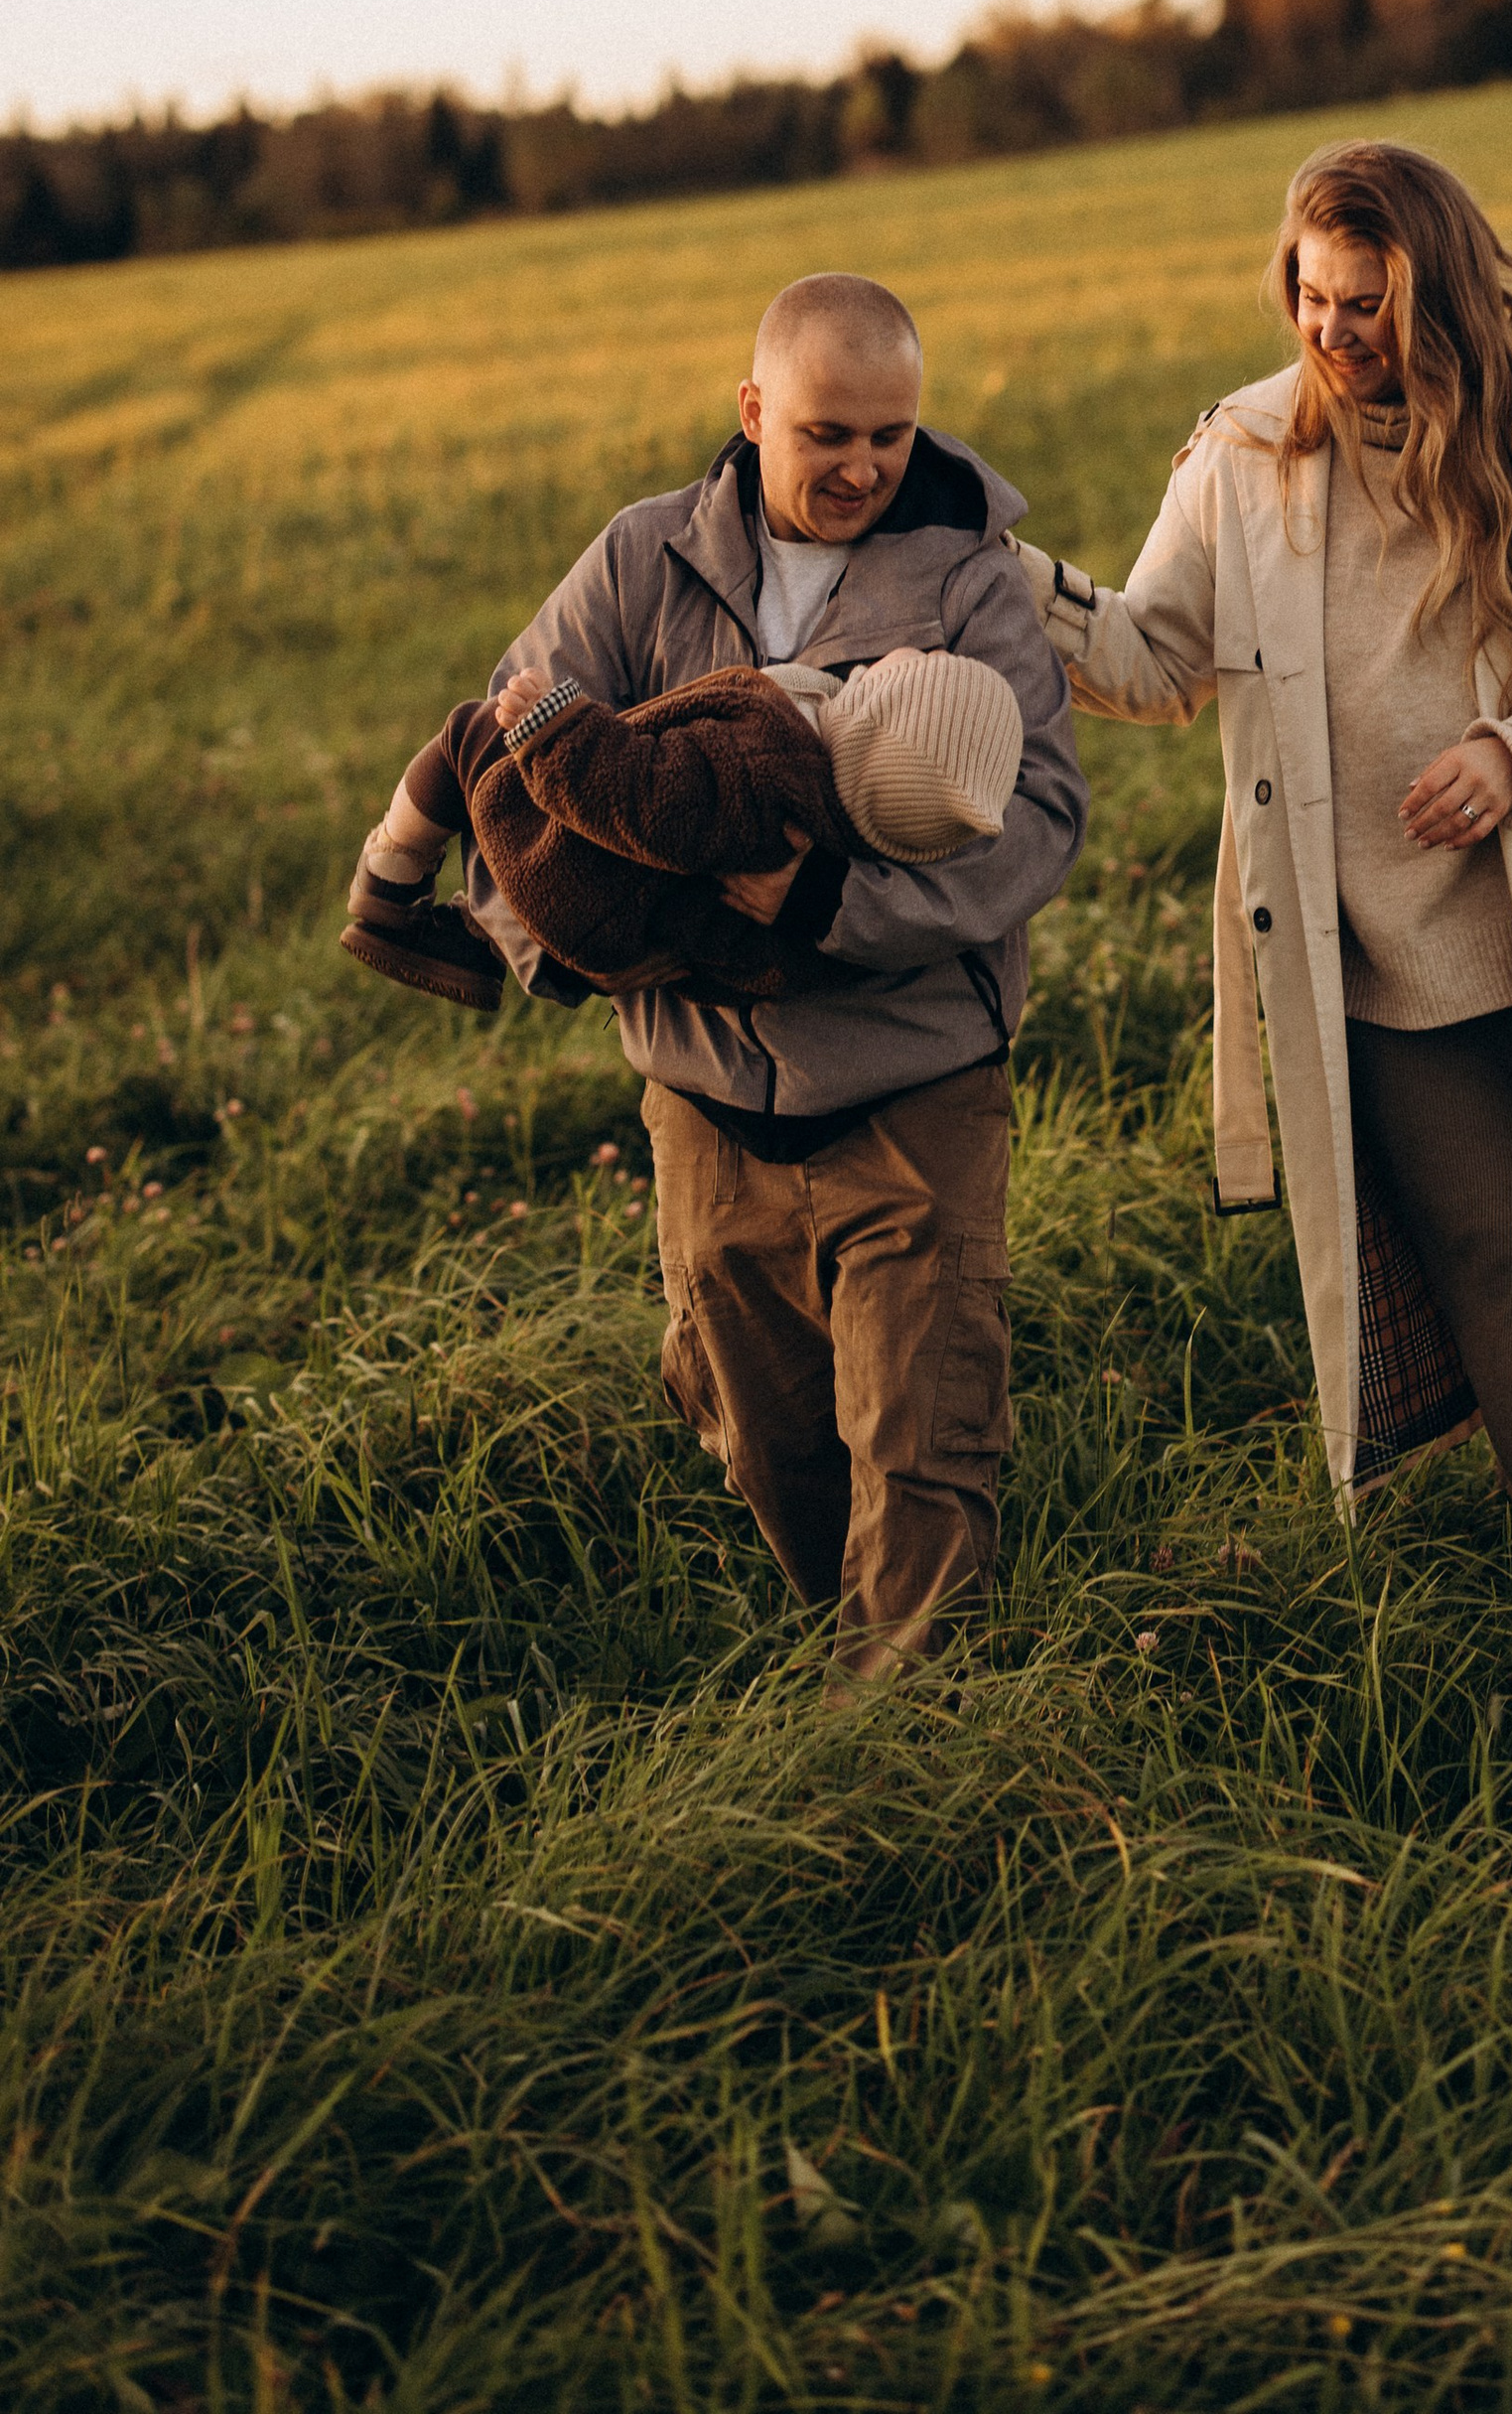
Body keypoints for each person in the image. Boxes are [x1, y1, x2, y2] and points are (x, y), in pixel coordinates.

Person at [1019, 143, 1512, 1684]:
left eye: (1370, 305)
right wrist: (1002, 571)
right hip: (1382, 959)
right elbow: (1149, 662)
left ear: (1447, 297)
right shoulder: (1247, 459)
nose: (1333, 337)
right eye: (1312, 300)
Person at [432, 270, 1087, 1690]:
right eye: (828, 433)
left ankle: (907, 1763)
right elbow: (506, 763)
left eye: (890, 437)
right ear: (753, 411)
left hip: (914, 1084)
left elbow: (1040, 823)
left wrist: (829, 902)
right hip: (705, 1101)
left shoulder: (971, 579)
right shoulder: (636, 560)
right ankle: (849, 1679)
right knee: (770, 1436)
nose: (861, 466)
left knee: (923, 1441)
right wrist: (560, 942)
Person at [341, 641, 1027, 1007]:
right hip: (628, 926)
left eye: (932, 665)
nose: (926, 650)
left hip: (575, 869)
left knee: (470, 731)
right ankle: (471, 941)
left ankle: (389, 885)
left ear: (880, 711)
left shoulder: (768, 763)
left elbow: (651, 796)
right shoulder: (833, 844)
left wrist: (557, 732)